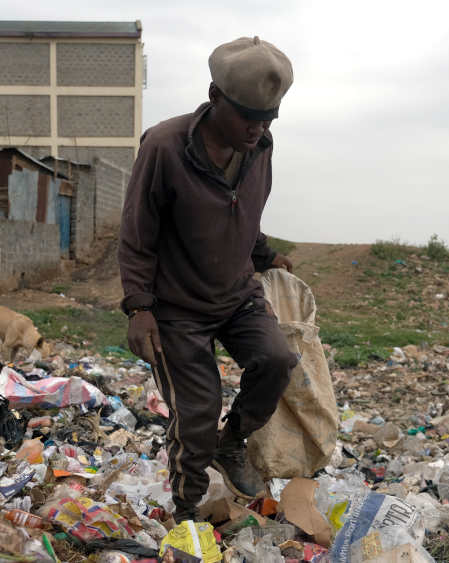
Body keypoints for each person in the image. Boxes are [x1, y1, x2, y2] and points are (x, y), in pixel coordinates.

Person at [118, 36, 297, 523]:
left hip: (237, 295)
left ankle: (232, 440)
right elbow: (137, 233)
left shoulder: (260, 147)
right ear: (215, 97)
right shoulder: (165, 147)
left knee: (277, 361)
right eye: (247, 117)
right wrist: (139, 308)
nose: (257, 129)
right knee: (196, 411)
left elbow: (243, 214)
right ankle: (186, 510)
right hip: (176, 308)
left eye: (267, 120)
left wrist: (267, 255)